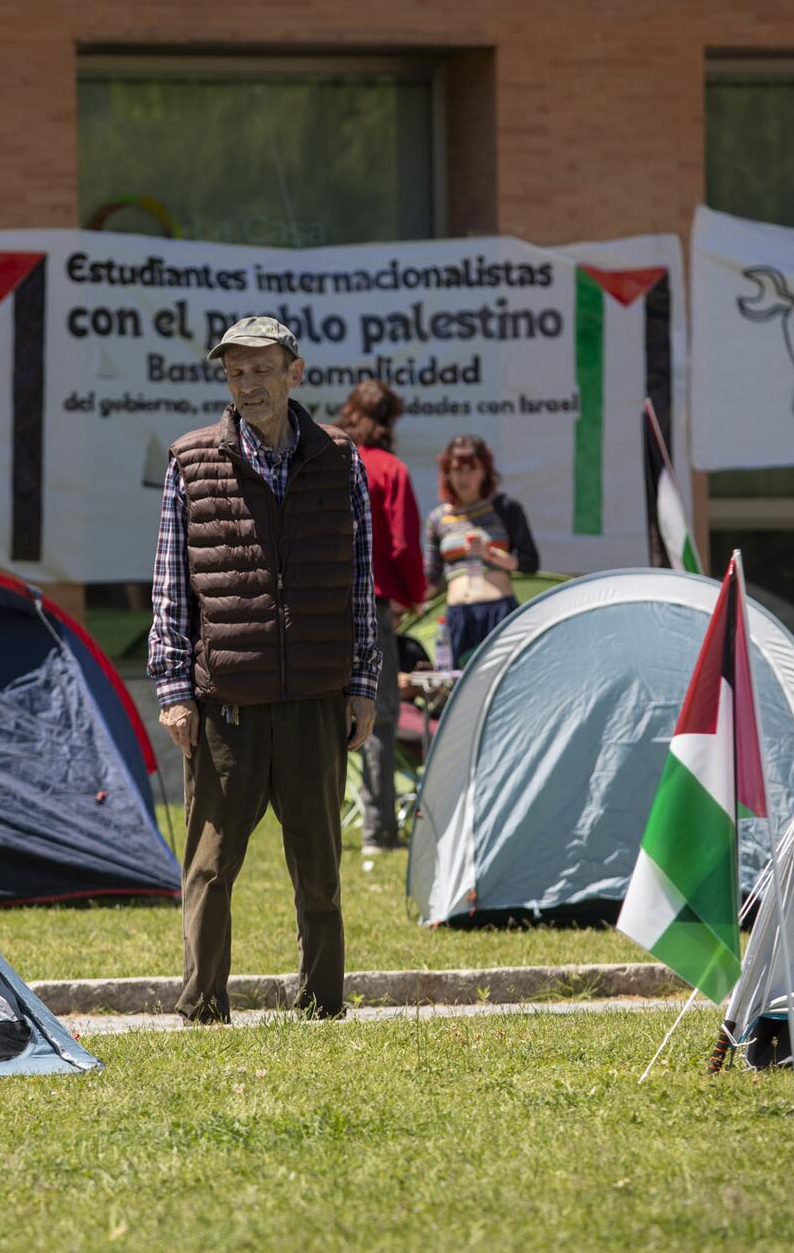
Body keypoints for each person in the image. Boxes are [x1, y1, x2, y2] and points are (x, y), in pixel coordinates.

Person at [149, 315, 379, 1024]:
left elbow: (360, 582)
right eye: (235, 372)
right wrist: (174, 689)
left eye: (260, 369)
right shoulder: (191, 460)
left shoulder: (341, 459)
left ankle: (322, 1004)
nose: (246, 385)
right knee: (210, 868)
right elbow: (171, 587)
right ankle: (202, 1007)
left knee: (320, 870)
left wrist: (363, 684)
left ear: (294, 373)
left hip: (316, 695)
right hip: (227, 702)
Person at [333, 380, 423, 855]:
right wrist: (415, 595)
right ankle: (379, 832)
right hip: (372, 602)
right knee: (379, 716)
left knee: (320, 714)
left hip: (320, 602)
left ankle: (319, 827)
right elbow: (404, 546)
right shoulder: (390, 469)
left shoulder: (328, 460)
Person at [424, 434, 539, 667]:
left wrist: (490, 554)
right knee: (458, 683)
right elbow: (431, 579)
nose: (464, 477)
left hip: (498, 612)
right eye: (458, 469)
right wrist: (401, 604)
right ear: (447, 472)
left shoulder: (505, 508)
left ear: (485, 472)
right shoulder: (437, 518)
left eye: (472, 469)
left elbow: (530, 563)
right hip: (458, 616)